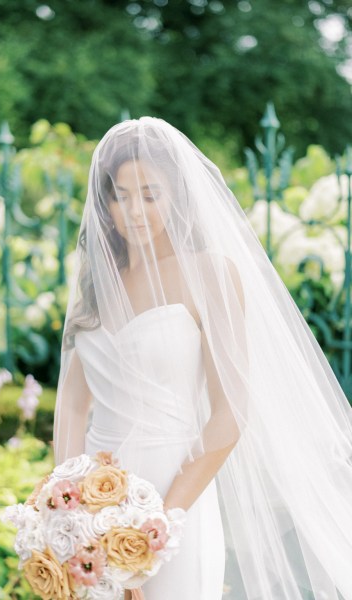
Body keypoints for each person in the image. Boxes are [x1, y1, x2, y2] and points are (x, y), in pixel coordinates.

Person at [53, 116, 352, 600]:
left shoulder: (210, 273)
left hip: (176, 497)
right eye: (120, 195)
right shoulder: (94, 285)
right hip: (91, 508)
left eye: (150, 195)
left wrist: (156, 526)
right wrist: (66, 506)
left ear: (177, 197)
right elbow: (71, 406)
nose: (133, 210)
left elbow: (229, 415)